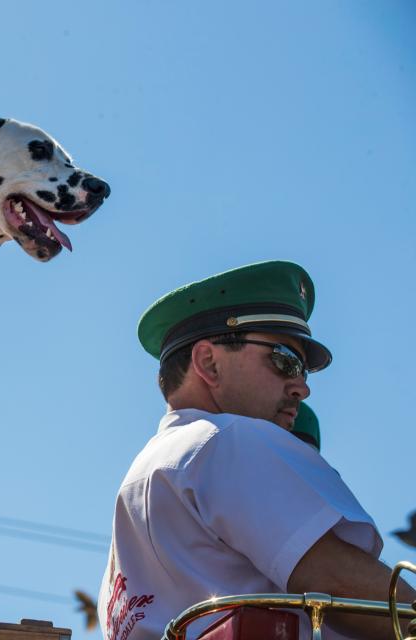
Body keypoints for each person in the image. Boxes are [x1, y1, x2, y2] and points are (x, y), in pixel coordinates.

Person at [98, 261, 415, 640]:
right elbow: (343, 586)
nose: (301, 387)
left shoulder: (142, 480)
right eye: (285, 360)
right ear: (208, 363)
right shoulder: (227, 440)